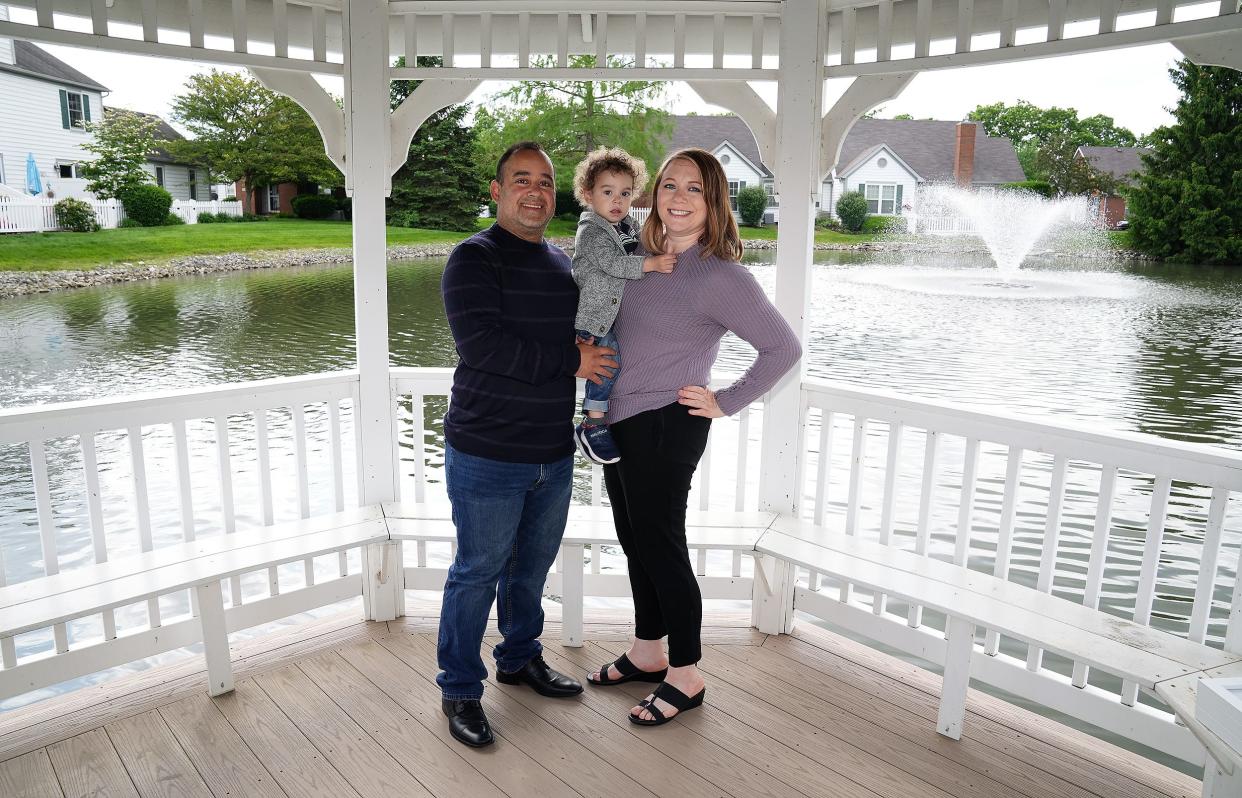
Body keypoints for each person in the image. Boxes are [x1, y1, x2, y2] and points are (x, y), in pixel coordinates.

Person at [586, 148, 801, 726]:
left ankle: (685, 674)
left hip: (667, 424)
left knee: (662, 546)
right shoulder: (638, 258)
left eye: (694, 190)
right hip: (620, 421)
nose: (677, 198)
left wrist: (724, 401)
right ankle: (647, 649)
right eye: (669, 186)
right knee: (635, 540)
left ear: (713, 204)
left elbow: (784, 348)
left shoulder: (722, 275)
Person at [437, 141, 618, 748]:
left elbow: (605, 316)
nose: (535, 191)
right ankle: (461, 687)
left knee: (530, 571)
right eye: (521, 180)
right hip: (486, 451)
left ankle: (518, 659)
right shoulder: (473, 259)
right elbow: (483, 349)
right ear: (497, 191)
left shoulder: (564, 263)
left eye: (544, 181)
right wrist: (574, 361)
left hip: (552, 452)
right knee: (477, 572)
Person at [570, 147, 677, 464]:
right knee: (608, 362)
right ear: (588, 195)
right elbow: (613, 263)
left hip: (609, 314)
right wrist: (652, 265)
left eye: (625, 193)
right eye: (608, 192)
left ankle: (598, 417)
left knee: (613, 361)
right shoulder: (591, 231)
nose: (617, 201)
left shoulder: (626, 225)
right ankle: (592, 422)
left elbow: (641, 243)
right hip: (594, 318)